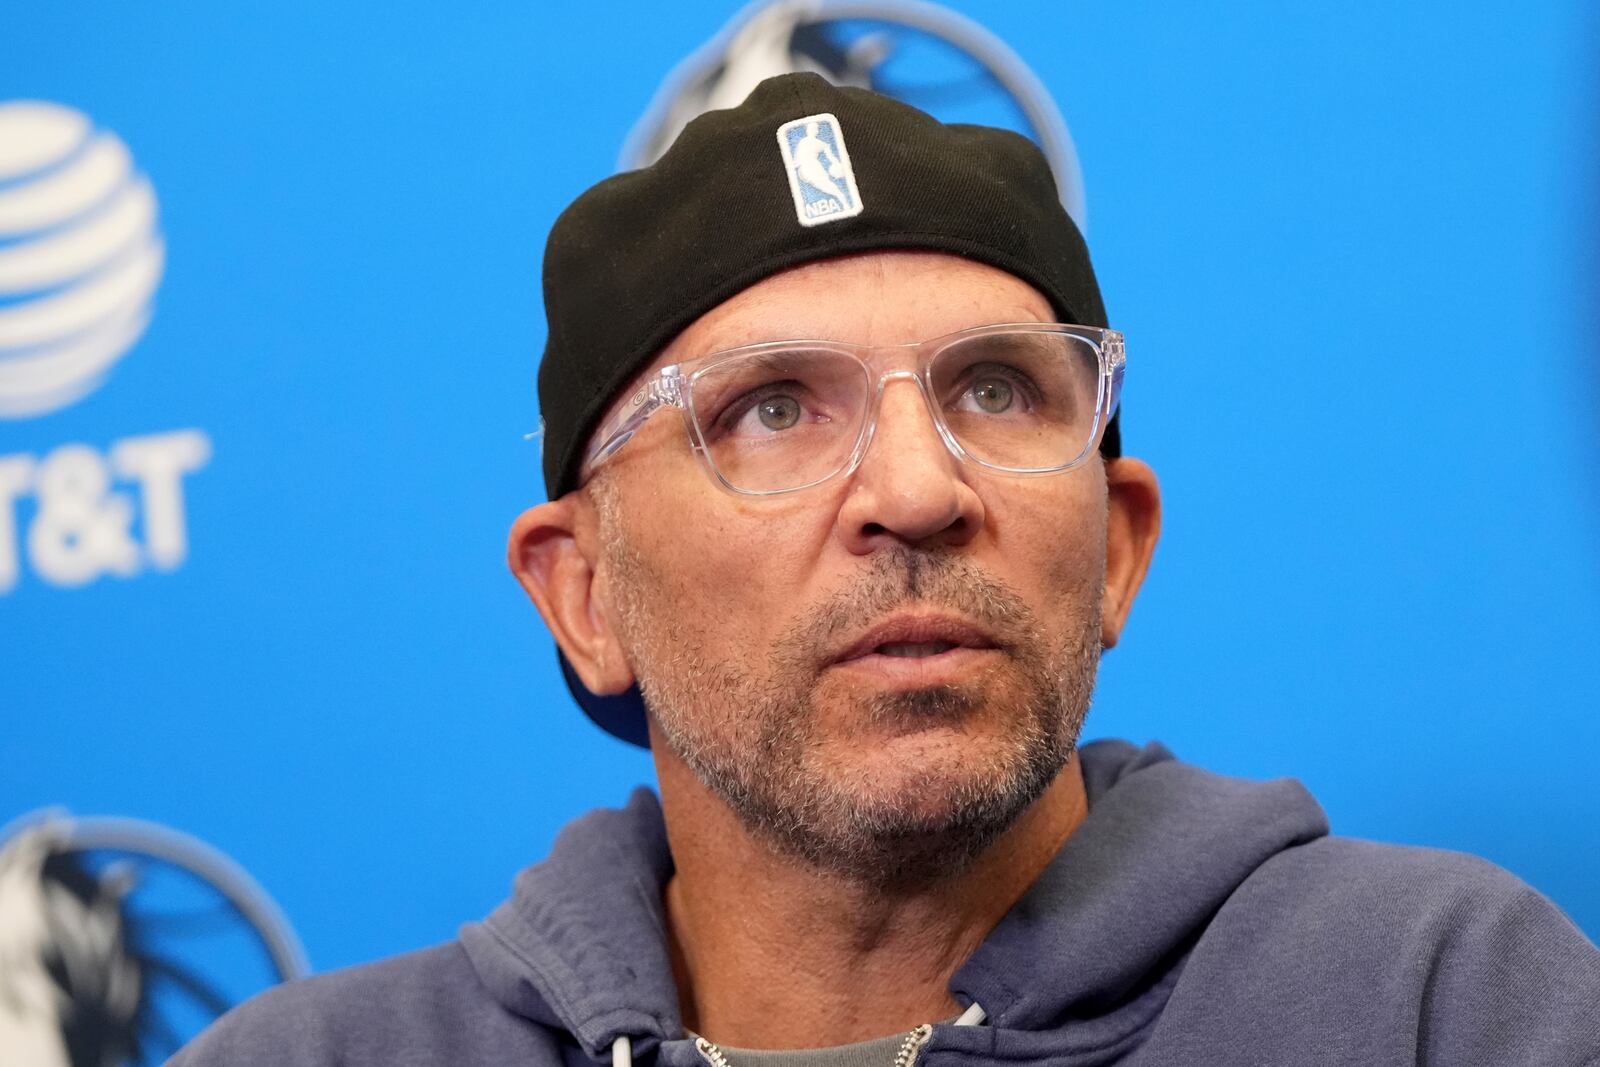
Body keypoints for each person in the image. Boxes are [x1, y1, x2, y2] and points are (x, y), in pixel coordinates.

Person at [169, 72, 1600, 1067]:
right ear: (584, 594)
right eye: (773, 409)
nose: (919, 490)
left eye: (995, 391)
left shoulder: (1445, 1002)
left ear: (1117, 550)